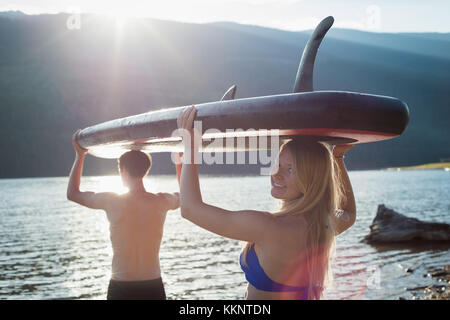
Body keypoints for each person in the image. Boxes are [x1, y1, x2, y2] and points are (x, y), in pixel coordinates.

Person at [176, 106, 356, 300]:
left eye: (290, 170)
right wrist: (337, 157)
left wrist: (191, 147)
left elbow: (190, 209)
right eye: (277, 163)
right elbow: (349, 213)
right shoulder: (324, 223)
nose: (276, 174)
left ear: (310, 179)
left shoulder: (268, 227)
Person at [67, 130, 179, 300]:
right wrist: (180, 158)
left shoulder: (111, 201)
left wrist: (80, 155)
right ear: (145, 170)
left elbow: (73, 194)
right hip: (152, 285)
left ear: (124, 170)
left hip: (122, 286)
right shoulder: (161, 201)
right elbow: (187, 195)